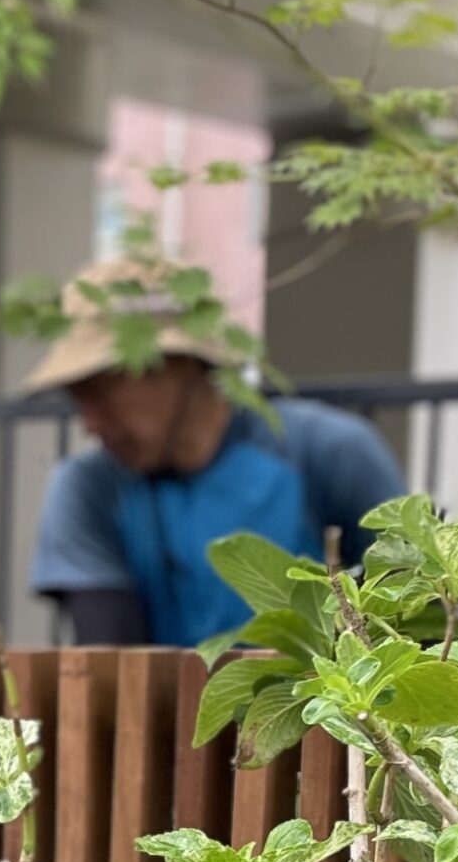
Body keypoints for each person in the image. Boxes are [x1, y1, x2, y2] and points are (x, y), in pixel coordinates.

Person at [25, 258, 406, 647]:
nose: (90, 422)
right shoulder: (89, 487)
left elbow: (416, 615)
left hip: (319, 706)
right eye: (79, 398)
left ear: (185, 364)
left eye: (103, 389)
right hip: (153, 709)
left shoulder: (326, 452)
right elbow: (110, 667)